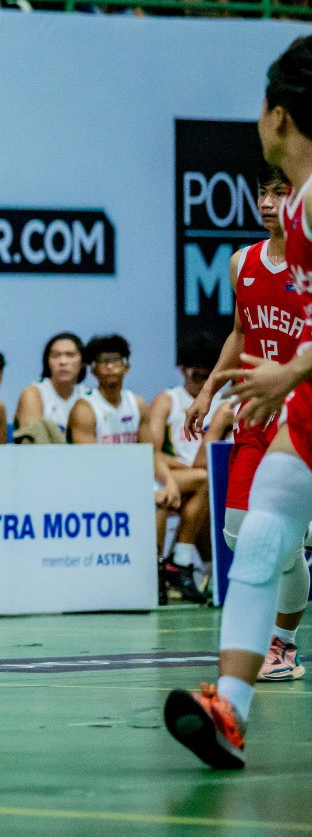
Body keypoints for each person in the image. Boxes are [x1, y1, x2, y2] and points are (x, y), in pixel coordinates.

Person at [164, 35, 312, 768]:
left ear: (278, 115)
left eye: (260, 105)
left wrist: (294, 369)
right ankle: (230, 708)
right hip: (303, 405)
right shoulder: (297, 213)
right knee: (256, 536)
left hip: (300, 385)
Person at [184, 167, 306, 682]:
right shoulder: (242, 261)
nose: (269, 202)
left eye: (280, 193)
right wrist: (210, 388)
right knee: (238, 533)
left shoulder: (309, 261)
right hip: (255, 411)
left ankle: (284, 645)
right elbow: (240, 331)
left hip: (300, 413)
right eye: (263, 193)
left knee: (278, 540)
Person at [144, 333, 223, 602]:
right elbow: (152, 452)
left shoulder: (225, 404)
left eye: (206, 367)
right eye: (193, 366)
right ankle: (178, 563)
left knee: (204, 485)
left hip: (211, 478)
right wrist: (179, 473)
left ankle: (183, 568)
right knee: (194, 485)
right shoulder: (168, 401)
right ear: (181, 369)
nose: (200, 372)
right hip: (171, 475)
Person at [14, 332, 86, 432]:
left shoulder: (87, 396)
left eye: (70, 355)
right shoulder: (33, 393)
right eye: (56, 356)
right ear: (47, 362)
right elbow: (31, 439)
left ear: (83, 362)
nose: (63, 362)